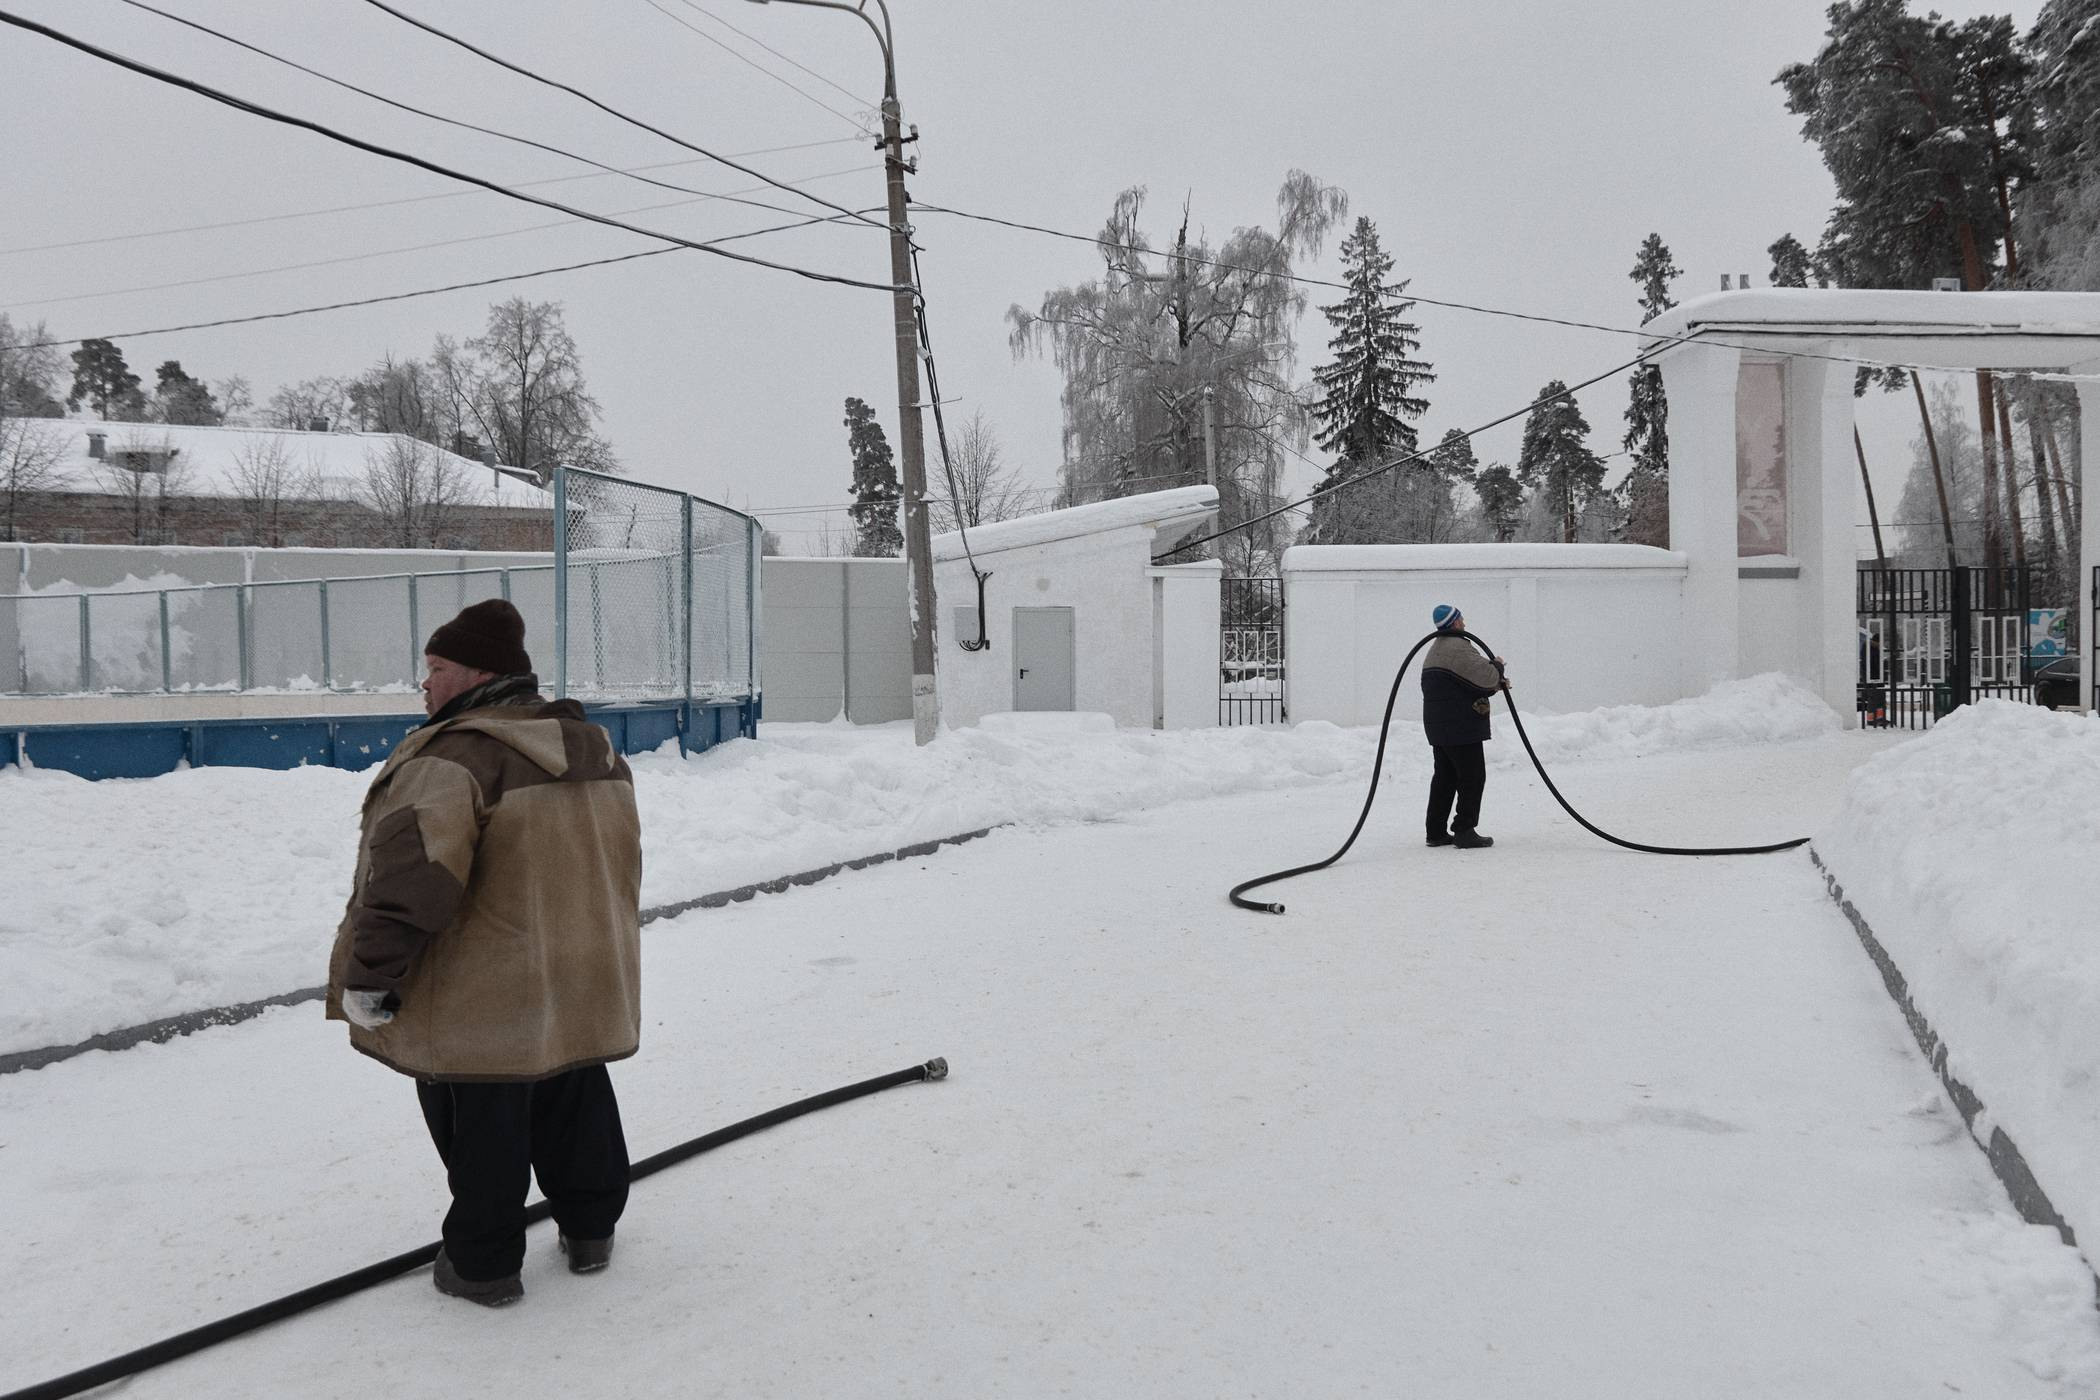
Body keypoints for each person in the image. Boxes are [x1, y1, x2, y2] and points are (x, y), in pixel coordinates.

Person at [326, 598, 643, 1307]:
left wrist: (372, 975)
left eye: (436, 669)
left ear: (478, 674)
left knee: (482, 1117)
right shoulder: (593, 748)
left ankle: (482, 1266)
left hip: (488, 986)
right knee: (574, 1090)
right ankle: (592, 1230)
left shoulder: (455, 759)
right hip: (580, 969)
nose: (426, 684)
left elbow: (411, 883)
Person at [1420, 603, 1507, 850]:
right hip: (1460, 728)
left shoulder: (1435, 649)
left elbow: (1462, 685)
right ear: (1455, 622)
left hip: (1439, 726)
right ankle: (1465, 829)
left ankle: (1435, 831)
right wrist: (1498, 666)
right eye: (1462, 619)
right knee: (1472, 776)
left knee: (1445, 777)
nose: (1465, 624)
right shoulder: (1458, 648)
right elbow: (1487, 677)